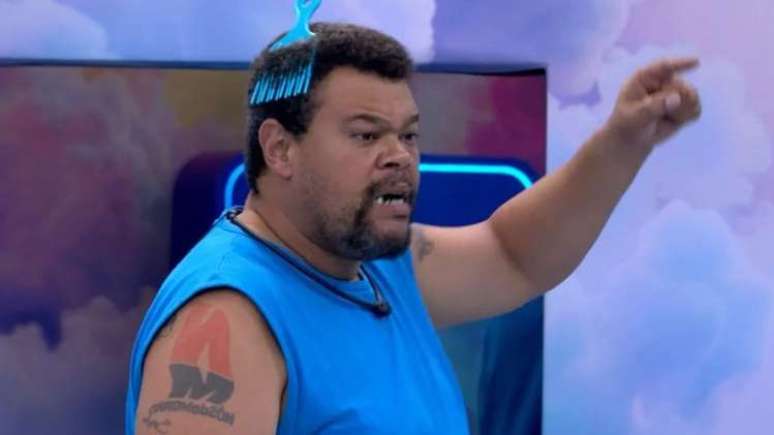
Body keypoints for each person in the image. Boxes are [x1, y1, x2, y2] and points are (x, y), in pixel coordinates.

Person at [126, 22, 701, 435]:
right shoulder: (228, 315)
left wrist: (624, 141)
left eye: (408, 135)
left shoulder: (377, 266)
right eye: (366, 134)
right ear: (280, 149)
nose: (399, 155)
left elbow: (513, 256)